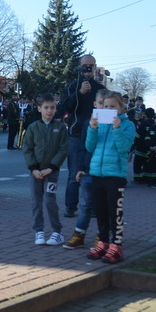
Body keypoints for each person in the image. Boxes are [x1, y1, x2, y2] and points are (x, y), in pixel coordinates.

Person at [85, 91, 135, 264]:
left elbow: (124, 148)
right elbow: (89, 147)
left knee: (115, 211)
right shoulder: (99, 124)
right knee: (100, 211)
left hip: (115, 175)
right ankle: (103, 242)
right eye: (105, 106)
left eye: (112, 106)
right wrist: (92, 128)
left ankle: (117, 245)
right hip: (97, 173)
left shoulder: (128, 125)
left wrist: (117, 128)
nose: (108, 109)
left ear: (121, 107)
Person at [59, 54, 105, 218]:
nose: (88, 68)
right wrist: (80, 92)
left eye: (91, 65)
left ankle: (91, 207)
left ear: (95, 67)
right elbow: (65, 107)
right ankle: (70, 206)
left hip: (96, 135)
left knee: (94, 172)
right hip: (76, 135)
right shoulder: (71, 86)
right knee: (74, 173)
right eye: (85, 65)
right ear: (79, 67)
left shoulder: (101, 89)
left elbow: (108, 110)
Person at [64, 88, 109, 249]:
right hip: (89, 170)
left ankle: (102, 236)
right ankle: (79, 235)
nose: (103, 107)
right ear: (95, 104)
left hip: (107, 171)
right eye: (101, 103)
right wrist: (81, 167)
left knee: (103, 206)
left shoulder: (116, 124)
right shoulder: (87, 123)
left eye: (107, 105)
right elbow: (84, 147)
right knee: (85, 204)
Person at [22, 93, 68, 246]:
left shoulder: (60, 127)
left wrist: (52, 167)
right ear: (39, 108)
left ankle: (57, 231)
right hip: (35, 172)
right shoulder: (33, 127)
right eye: (46, 107)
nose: (49, 111)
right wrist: (33, 169)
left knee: (49, 200)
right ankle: (39, 231)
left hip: (51, 172)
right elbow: (27, 149)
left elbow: (63, 149)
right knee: (36, 201)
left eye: (52, 108)